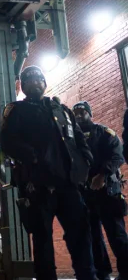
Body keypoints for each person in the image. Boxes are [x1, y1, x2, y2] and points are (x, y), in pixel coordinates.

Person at [1, 65, 96, 280]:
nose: (35, 83)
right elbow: (7, 141)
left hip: (69, 185)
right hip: (39, 187)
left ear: (45, 83)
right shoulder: (17, 111)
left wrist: (86, 161)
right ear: (23, 86)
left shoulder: (61, 109)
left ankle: (87, 276)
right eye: (30, 80)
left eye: (39, 80)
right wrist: (33, 157)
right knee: (42, 239)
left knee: (81, 235)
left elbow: (79, 139)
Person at [73, 101, 128, 280]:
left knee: (117, 234)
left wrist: (102, 175)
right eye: (76, 113)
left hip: (108, 191)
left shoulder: (104, 133)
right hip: (85, 195)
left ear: (90, 113)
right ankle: (102, 273)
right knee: (94, 237)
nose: (79, 115)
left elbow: (118, 156)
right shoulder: (73, 140)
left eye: (82, 112)